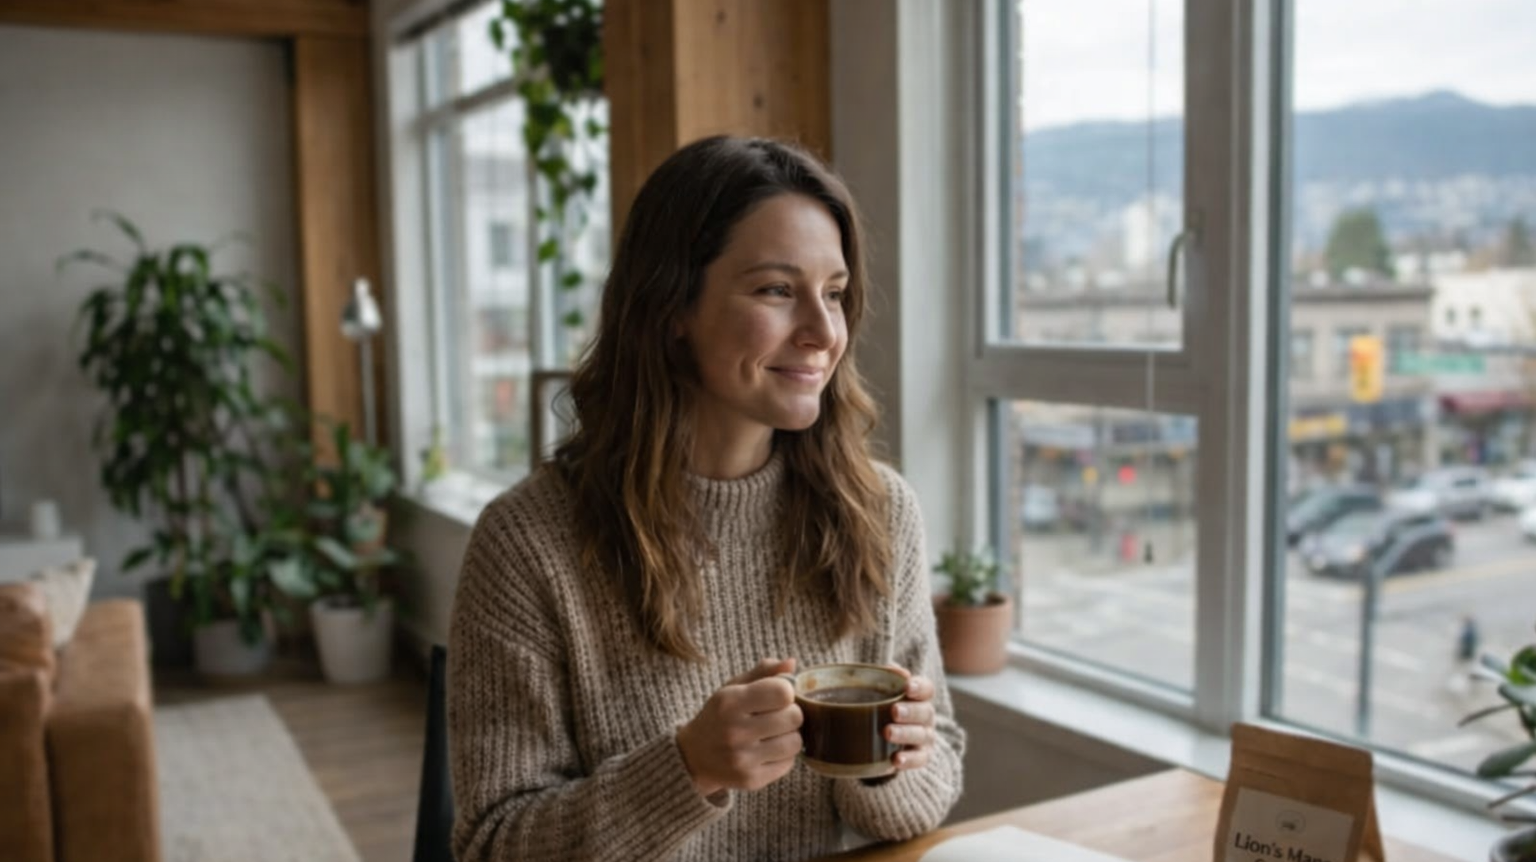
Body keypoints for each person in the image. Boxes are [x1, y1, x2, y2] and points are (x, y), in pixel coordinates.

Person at [448, 135, 965, 862]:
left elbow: (930, 771)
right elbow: (493, 846)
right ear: (671, 307)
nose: (824, 333)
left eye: (836, 294)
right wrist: (687, 768)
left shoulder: (879, 511)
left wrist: (889, 764)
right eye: (777, 290)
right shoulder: (528, 543)